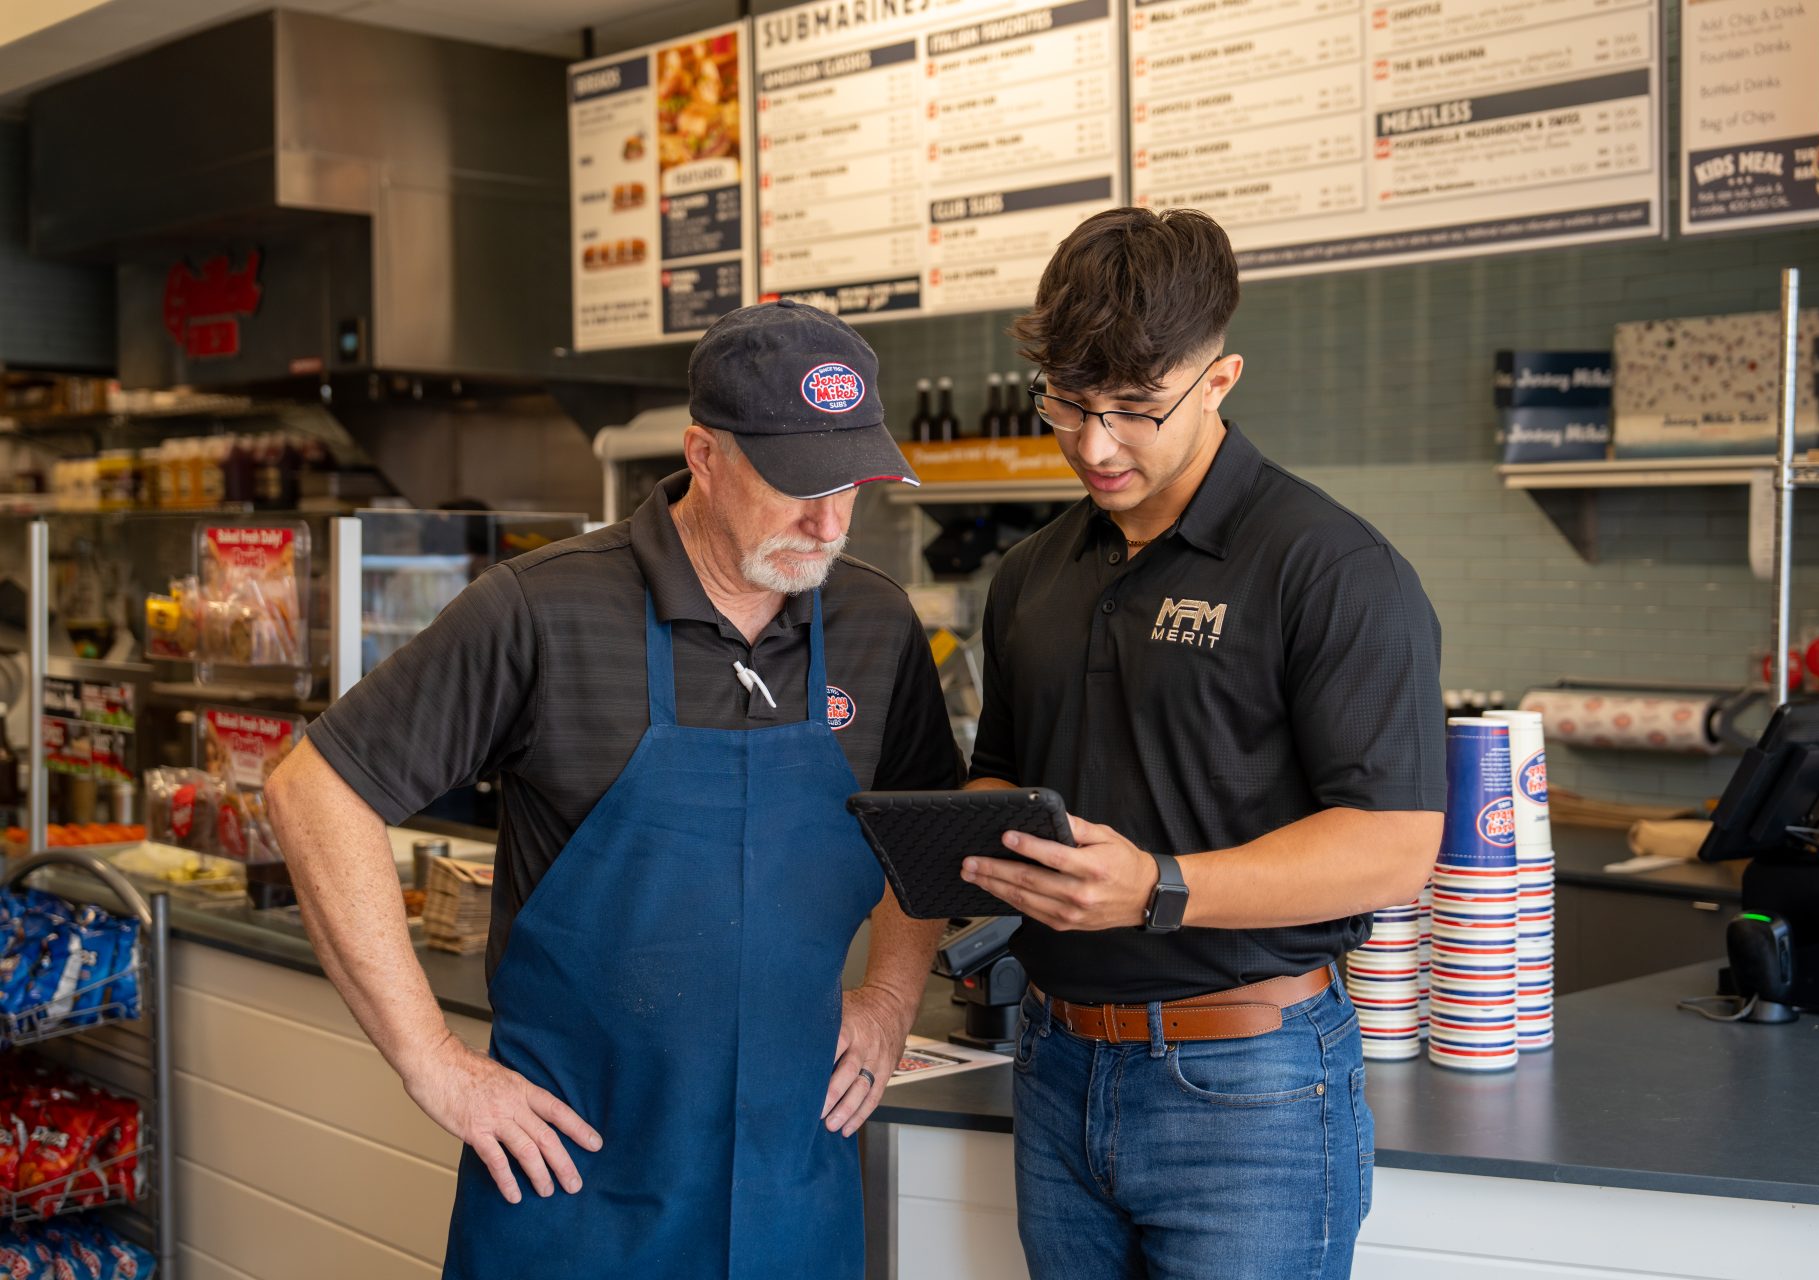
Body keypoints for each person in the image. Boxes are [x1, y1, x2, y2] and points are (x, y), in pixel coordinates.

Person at [265, 300, 957, 1279]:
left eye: (851, 479)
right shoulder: (542, 610)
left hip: (790, 1188)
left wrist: (890, 994)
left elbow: (924, 826)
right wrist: (436, 1063)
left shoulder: (878, 625)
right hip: (572, 1191)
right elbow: (312, 789)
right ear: (703, 455)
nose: (828, 518)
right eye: (796, 480)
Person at [960, 208, 1445, 1279]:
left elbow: (1395, 845)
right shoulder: (1032, 573)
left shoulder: (1330, 568)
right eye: (1070, 406)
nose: (1093, 444)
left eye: (1135, 409)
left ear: (1220, 379)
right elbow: (1002, 765)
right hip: (1052, 1063)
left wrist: (1155, 886)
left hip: (1251, 1089)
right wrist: (960, 833)